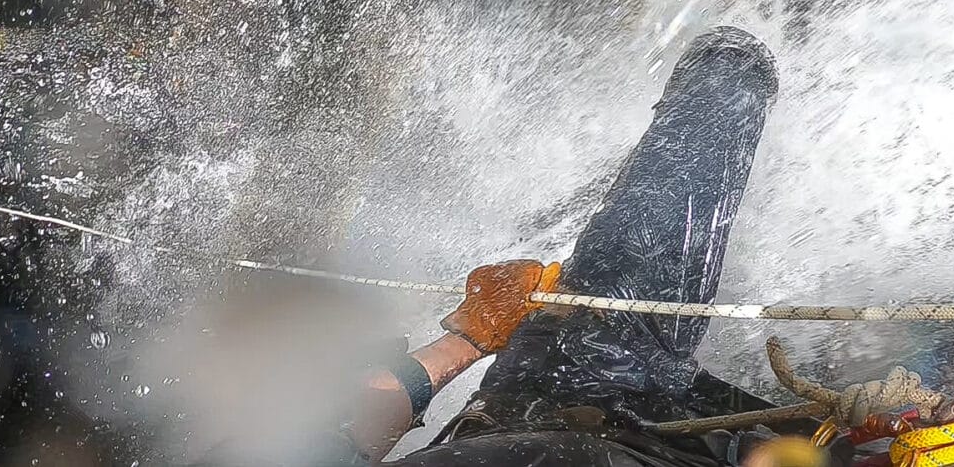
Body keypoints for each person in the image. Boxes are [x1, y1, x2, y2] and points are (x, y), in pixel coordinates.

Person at [333, 26, 795, 466]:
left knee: (727, 72)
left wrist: (474, 333)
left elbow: (349, 438)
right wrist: (469, 338)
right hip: (592, 384)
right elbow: (349, 435)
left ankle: (728, 67)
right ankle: (730, 68)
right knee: (728, 74)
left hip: (548, 406)